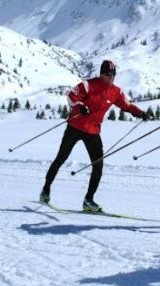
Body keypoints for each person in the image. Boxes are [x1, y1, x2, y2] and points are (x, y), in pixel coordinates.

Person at [39, 60, 149, 212]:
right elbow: (71, 97)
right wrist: (80, 106)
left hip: (93, 132)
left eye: (113, 75)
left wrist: (141, 113)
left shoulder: (116, 92)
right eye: (108, 75)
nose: (110, 78)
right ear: (101, 74)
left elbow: (127, 106)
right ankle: (45, 190)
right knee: (61, 158)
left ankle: (88, 201)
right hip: (75, 127)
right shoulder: (87, 85)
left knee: (98, 165)